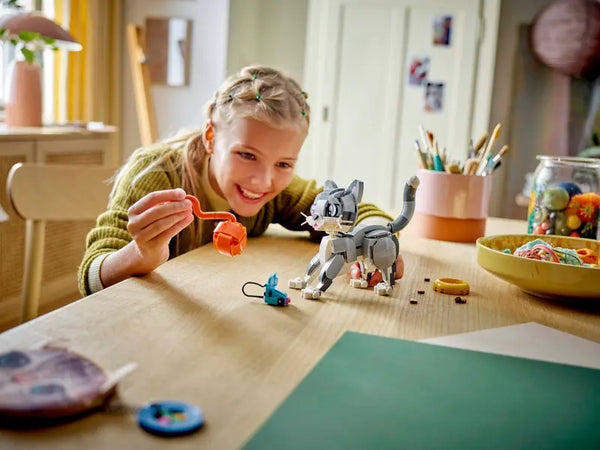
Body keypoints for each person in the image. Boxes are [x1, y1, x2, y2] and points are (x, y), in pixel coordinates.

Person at [78, 65, 398, 296]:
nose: (264, 181)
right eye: (246, 155)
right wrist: (140, 255)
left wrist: (376, 243)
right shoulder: (156, 174)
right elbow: (92, 279)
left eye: (284, 164)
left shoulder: (276, 191)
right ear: (210, 137)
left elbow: (353, 210)